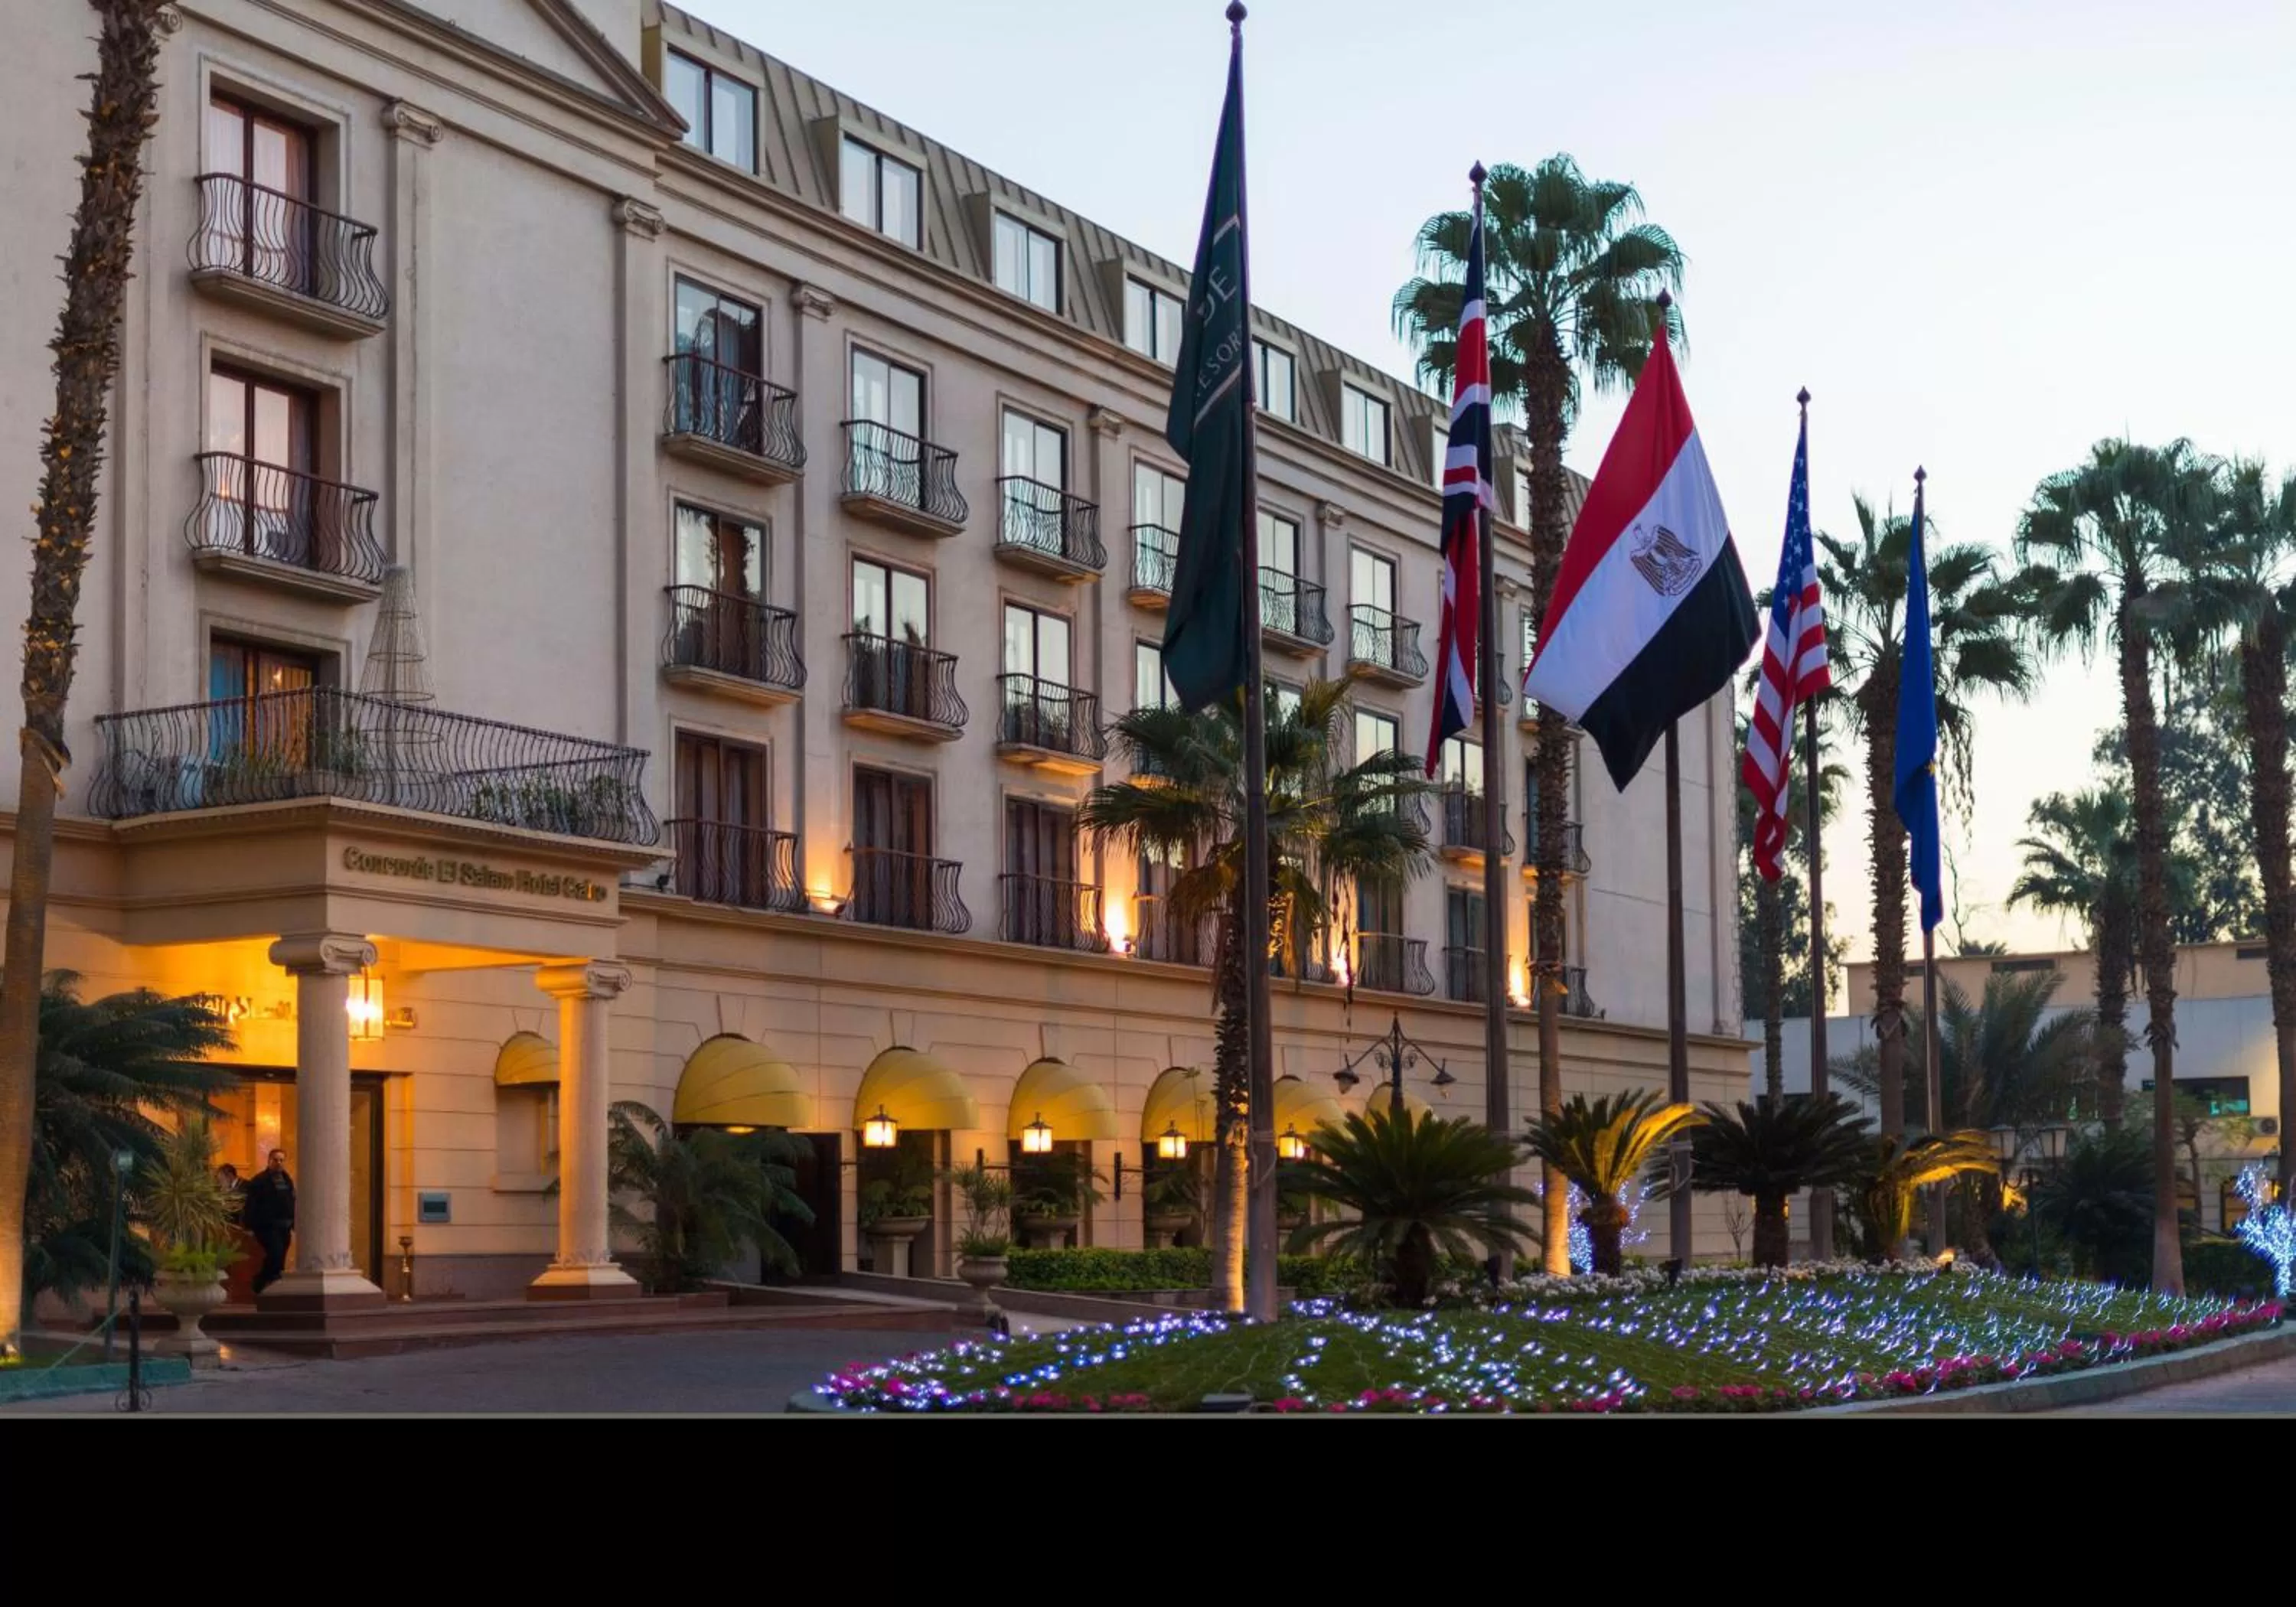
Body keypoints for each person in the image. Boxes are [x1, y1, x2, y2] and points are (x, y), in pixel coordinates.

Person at [243, 1149, 296, 1296]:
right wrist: (249, 1226)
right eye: (275, 1160)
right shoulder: (259, 1181)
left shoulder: (287, 1180)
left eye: (281, 1160)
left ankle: (274, 1281)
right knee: (275, 1253)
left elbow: (291, 1202)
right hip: (267, 1226)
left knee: (281, 1256)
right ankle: (262, 1282)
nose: (279, 1163)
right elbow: (251, 1204)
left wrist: (294, 1223)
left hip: (285, 1226)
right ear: (269, 1161)